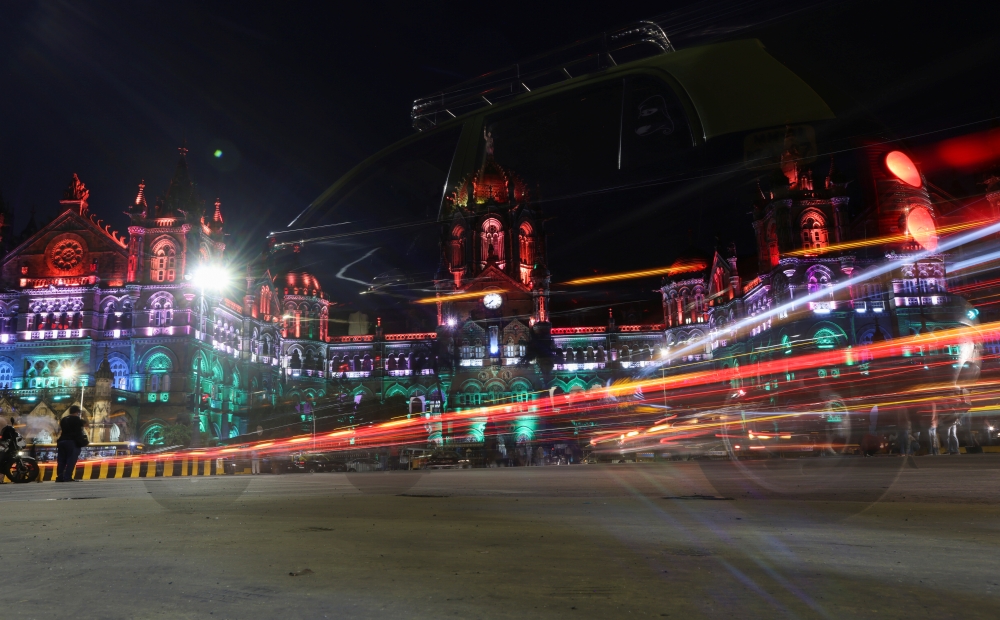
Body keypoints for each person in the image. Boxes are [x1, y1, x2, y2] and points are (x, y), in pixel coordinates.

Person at [56, 406, 86, 482]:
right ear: (77, 412)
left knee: (61, 461)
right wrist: (84, 416)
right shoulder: (76, 419)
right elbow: (87, 425)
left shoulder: (64, 419)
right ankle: (67, 477)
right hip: (72, 442)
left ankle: (60, 477)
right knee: (71, 460)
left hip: (62, 441)